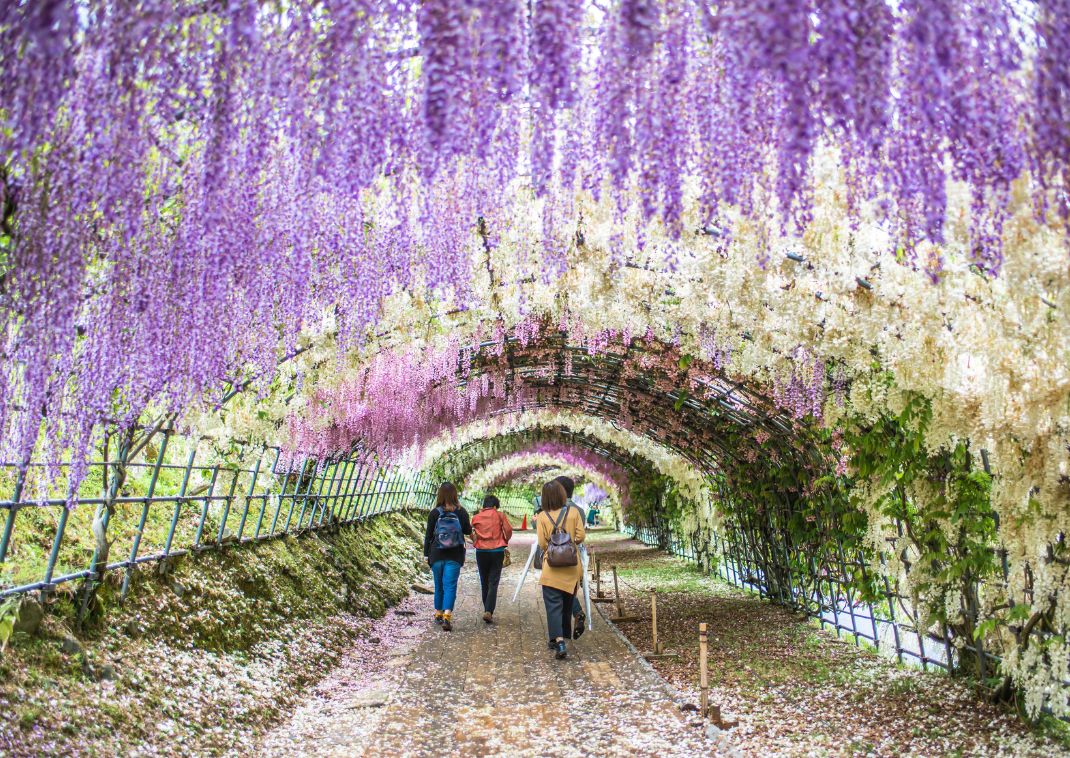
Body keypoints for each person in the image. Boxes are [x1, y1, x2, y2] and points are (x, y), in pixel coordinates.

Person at [536, 480, 586, 659]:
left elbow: (542, 543)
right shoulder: (573, 512)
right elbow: (581, 536)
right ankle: (563, 635)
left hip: (552, 567)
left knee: (553, 605)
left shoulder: (542, 516)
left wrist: (553, 545)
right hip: (572, 567)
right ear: (562, 494)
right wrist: (569, 541)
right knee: (566, 603)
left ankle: (559, 641)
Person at [424, 482, 472, 631]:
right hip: (455, 554)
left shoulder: (434, 513)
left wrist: (426, 555)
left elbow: (428, 535)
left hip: (436, 554)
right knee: (450, 585)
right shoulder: (461, 512)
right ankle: (447, 615)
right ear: (454, 495)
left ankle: (438, 612)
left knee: (439, 585)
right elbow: (467, 530)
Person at [471, 494, 513, 623]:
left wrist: (475, 542)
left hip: (481, 552)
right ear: (495, 506)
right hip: (497, 551)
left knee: (484, 580)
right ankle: (489, 610)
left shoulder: (476, 517)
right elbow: (508, 529)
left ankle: (486, 610)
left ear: (484, 505)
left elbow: (471, 533)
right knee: (493, 581)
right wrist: (505, 540)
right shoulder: (500, 515)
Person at [554, 475, 588, 638]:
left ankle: (561, 634)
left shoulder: (552, 510)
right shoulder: (579, 511)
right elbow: (581, 536)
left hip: (557, 557)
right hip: (575, 558)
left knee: (558, 593)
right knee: (569, 590)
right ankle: (573, 619)